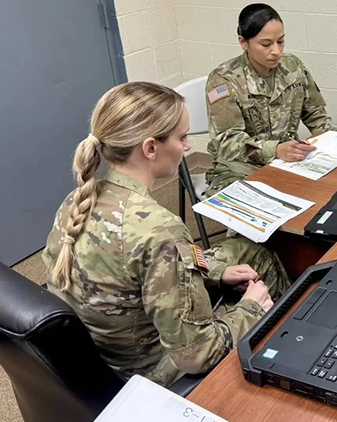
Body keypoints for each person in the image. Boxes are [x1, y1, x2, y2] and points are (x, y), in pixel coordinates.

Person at [41, 82, 291, 387]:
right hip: (149, 370)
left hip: (103, 351)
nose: (187, 147)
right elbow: (197, 354)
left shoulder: (78, 200)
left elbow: (134, 270)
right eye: (182, 137)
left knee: (250, 252)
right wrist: (251, 308)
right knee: (262, 293)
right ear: (150, 148)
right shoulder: (159, 229)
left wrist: (217, 272)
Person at [204, 3, 336, 196]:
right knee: (254, 213)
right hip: (240, 167)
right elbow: (227, 142)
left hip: (288, 160)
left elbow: (317, 115)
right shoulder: (224, 80)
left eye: (280, 41)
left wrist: (336, 143)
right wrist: (275, 150)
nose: (276, 51)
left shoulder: (293, 67)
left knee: (333, 192)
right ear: (243, 42)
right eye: (266, 44)